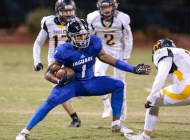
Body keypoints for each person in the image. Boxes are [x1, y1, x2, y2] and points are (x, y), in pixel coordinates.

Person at [16, 17, 151, 140]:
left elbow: (110, 59)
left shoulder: (94, 42)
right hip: (72, 85)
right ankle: (24, 132)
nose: (83, 38)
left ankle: (116, 123)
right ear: (70, 36)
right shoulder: (64, 50)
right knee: (50, 102)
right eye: (79, 36)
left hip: (91, 82)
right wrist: (58, 81)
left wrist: (133, 69)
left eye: (85, 34)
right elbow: (47, 74)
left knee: (118, 85)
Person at [124, 38, 190, 140]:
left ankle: (145, 137)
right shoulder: (184, 52)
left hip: (188, 88)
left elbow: (161, 75)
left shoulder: (163, 52)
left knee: (154, 100)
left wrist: (151, 97)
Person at [32, 0, 81, 127]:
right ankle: (75, 119)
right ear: (58, 11)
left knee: (76, 86)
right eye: (65, 11)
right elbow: (38, 43)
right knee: (59, 89)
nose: (69, 13)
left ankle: (77, 94)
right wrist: (37, 60)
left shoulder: (78, 23)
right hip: (55, 62)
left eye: (71, 10)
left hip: (73, 60)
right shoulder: (48, 22)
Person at [87, 0, 133, 121]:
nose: (106, 10)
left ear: (114, 7)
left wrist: (126, 55)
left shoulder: (122, 19)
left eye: (109, 7)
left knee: (120, 81)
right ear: (99, 8)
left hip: (118, 51)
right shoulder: (93, 19)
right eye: (104, 7)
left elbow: (128, 38)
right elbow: (90, 37)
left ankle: (123, 110)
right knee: (97, 75)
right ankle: (107, 105)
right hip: (103, 52)